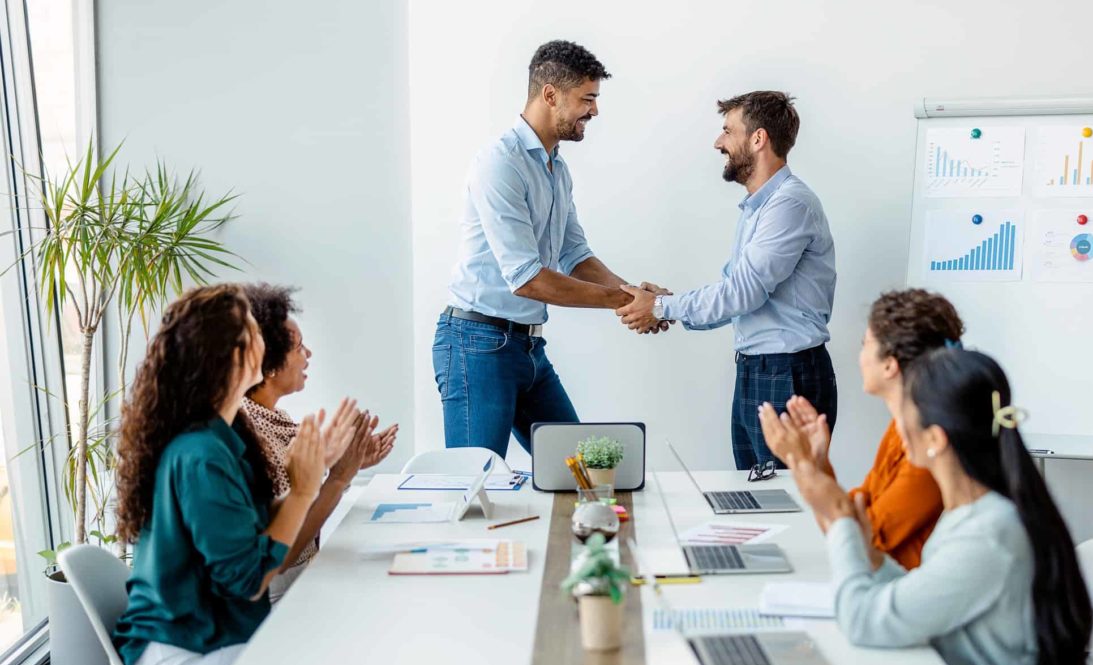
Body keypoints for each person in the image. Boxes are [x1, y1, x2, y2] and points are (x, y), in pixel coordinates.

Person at [760, 348, 1093, 665]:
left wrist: (837, 514)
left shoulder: (989, 534)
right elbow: (923, 594)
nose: (897, 426)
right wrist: (871, 557)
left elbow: (861, 621)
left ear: (935, 437)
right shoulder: (972, 511)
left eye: (904, 413)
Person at [435, 39, 668, 458]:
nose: (594, 111)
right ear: (550, 95)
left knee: (578, 467)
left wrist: (633, 294)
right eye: (587, 98)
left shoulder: (556, 168)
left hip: (527, 347)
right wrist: (627, 301)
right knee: (473, 483)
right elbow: (527, 279)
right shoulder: (500, 162)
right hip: (476, 345)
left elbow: (575, 254)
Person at [113, 284, 358, 665]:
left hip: (215, 635)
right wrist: (303, 490)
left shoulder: (224, 436)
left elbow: (260, 529)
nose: (266, 337)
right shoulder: (200, 456)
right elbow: (249, 580)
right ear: (231, 356)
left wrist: (311, 474)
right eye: (253, 331)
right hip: (184, 652)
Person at [617, 91, 837, 471]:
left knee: (784, 501)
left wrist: (659, 307)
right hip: (759, 370)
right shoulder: (759, 208)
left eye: (726, 131)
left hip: (786, 374)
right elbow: (734, 293)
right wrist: (667, 305)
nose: (718, 142)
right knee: (754, 498)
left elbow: (742, 293)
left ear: (758, 139)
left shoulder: (789, 205)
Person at [763, 289, 962, 569]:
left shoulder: (931, 446)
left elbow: (858, 545)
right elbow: (852, 516)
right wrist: (817, 461)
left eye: (865, 344)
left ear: (890, 365)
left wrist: (800, 462)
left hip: (901, 595)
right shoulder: (898, 429)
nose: (860, 356)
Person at [240, 283, 399, 601]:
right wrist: (339, 476)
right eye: (298, 347)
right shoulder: (249, 433)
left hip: (299, 579)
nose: (308, 354)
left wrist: (346, 467)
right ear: (268, 363)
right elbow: (283, 552)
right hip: (277, 597)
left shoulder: (273, 418)